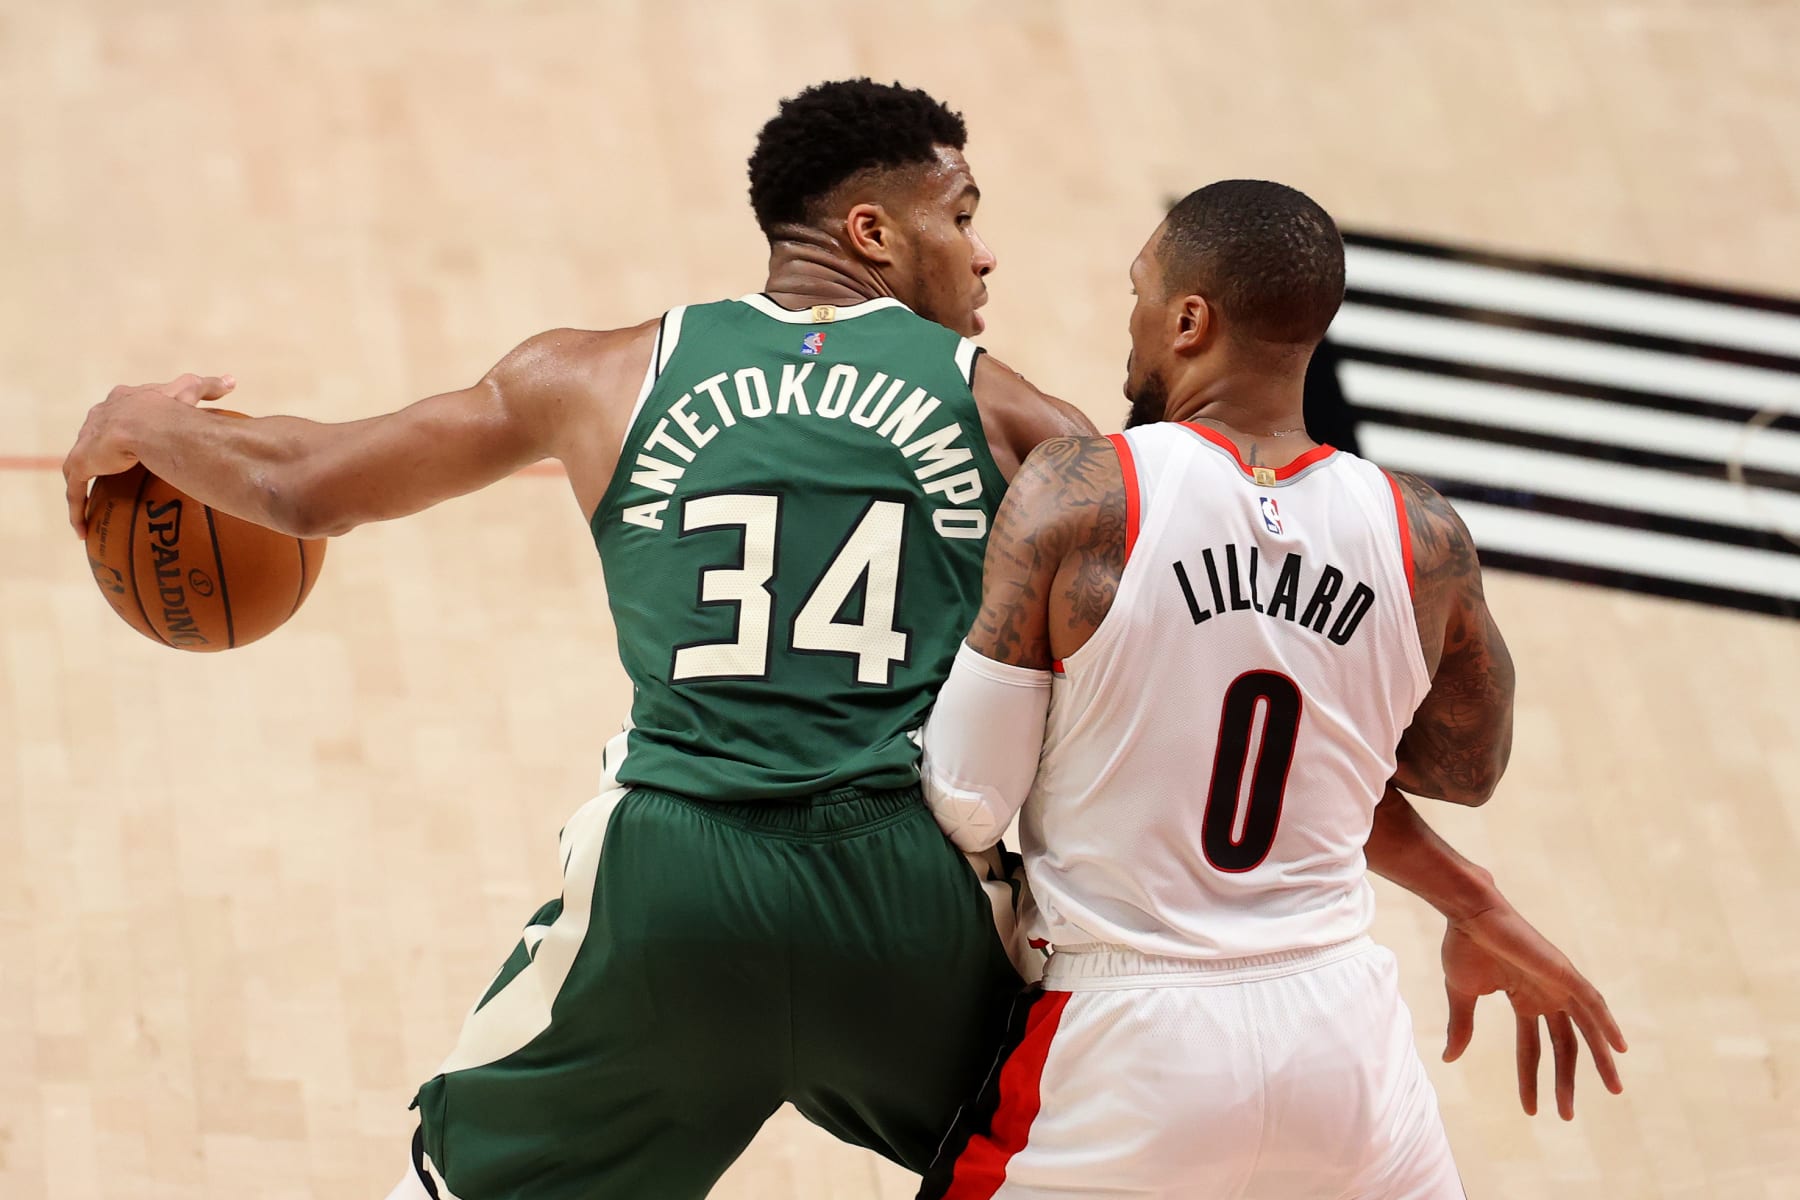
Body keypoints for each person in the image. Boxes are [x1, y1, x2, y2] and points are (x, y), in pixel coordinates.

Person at [62, 84, 1611, 1200]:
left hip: (676, 885)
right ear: (873, 231)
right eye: (962, 217)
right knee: (1107, 1133)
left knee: (453, 1175)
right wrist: (1475, 895)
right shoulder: (1036, 434)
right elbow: (1222, 730)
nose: (987, 258)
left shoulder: (590, 375)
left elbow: (297, 486)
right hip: (909, 911)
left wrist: (137, 418)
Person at [917, 180, 1628, 1198]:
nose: (1131, 321)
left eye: (1138, 292)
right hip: (1343, 1047)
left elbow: (968, 800)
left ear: (1189, 321)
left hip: (1126, 1043)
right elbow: (1465, 771)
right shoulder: (1421, 535)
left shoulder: (1083, 494)